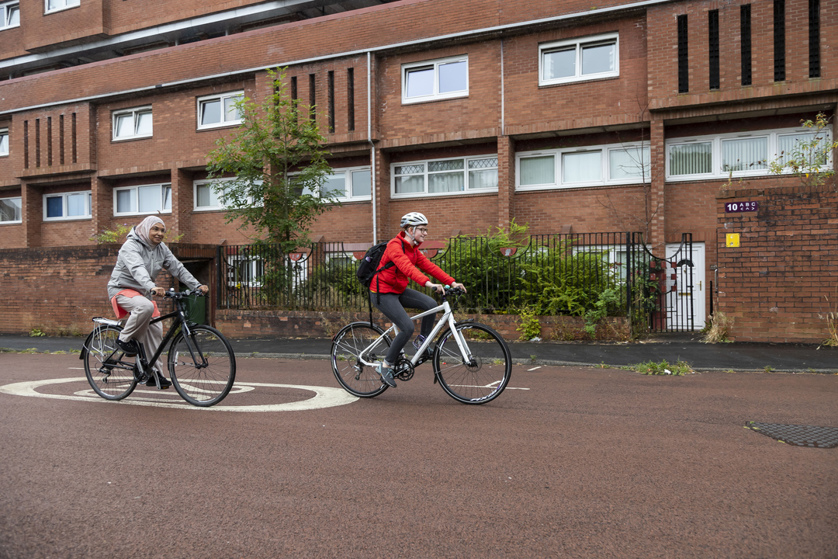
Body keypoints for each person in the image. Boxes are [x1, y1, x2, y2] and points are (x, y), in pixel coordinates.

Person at [106, 215, 208, 389]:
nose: (159, 233)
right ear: (145, 229)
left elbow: (178, 268)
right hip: (121, 289)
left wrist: (196, 285)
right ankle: (123, 340)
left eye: (162, 230)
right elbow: (137, 269)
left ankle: (154, 374)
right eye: (155, 229)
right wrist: (151, 286)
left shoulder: (161, 248)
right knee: (144, 306)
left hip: (144, 292)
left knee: (155, 330)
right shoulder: (130, 246)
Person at [370, 212, 466, 387]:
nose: (425, 233)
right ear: (409, 230)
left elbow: (430, 266)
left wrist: (451, 282)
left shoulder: (413, 250)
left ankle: (421, 342)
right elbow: (407, 268)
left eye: (425, 229)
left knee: (430, 304)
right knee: (407, 327)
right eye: (422, 229)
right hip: (382, 293)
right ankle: (385, 365)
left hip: (398, 290)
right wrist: (429, 284)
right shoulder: (394, 246)